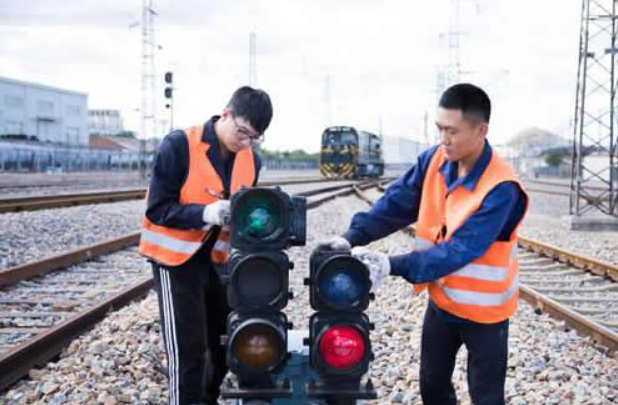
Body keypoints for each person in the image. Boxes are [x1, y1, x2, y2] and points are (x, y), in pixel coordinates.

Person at [319, 83, 528, 405]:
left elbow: (460, 250)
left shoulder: (501, 187)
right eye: (439, 128)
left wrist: (391, 265)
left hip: (485, 315)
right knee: (432, 386)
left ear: (481, 130)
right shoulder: (435, 160)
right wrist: (350, 237)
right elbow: (395, 204)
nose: (443, 138)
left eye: (452, 131)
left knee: (486, 396)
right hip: (443, 303)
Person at [139, 86, 273, 405]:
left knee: (226, 343)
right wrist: (206, 213)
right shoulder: (180, 145)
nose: (246, 143)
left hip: (217, 261)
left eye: (254, 138)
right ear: (225, 114)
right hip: (175, 260)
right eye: (242, 133)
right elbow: (157, 209)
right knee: (189, 352)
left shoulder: (251, 159)